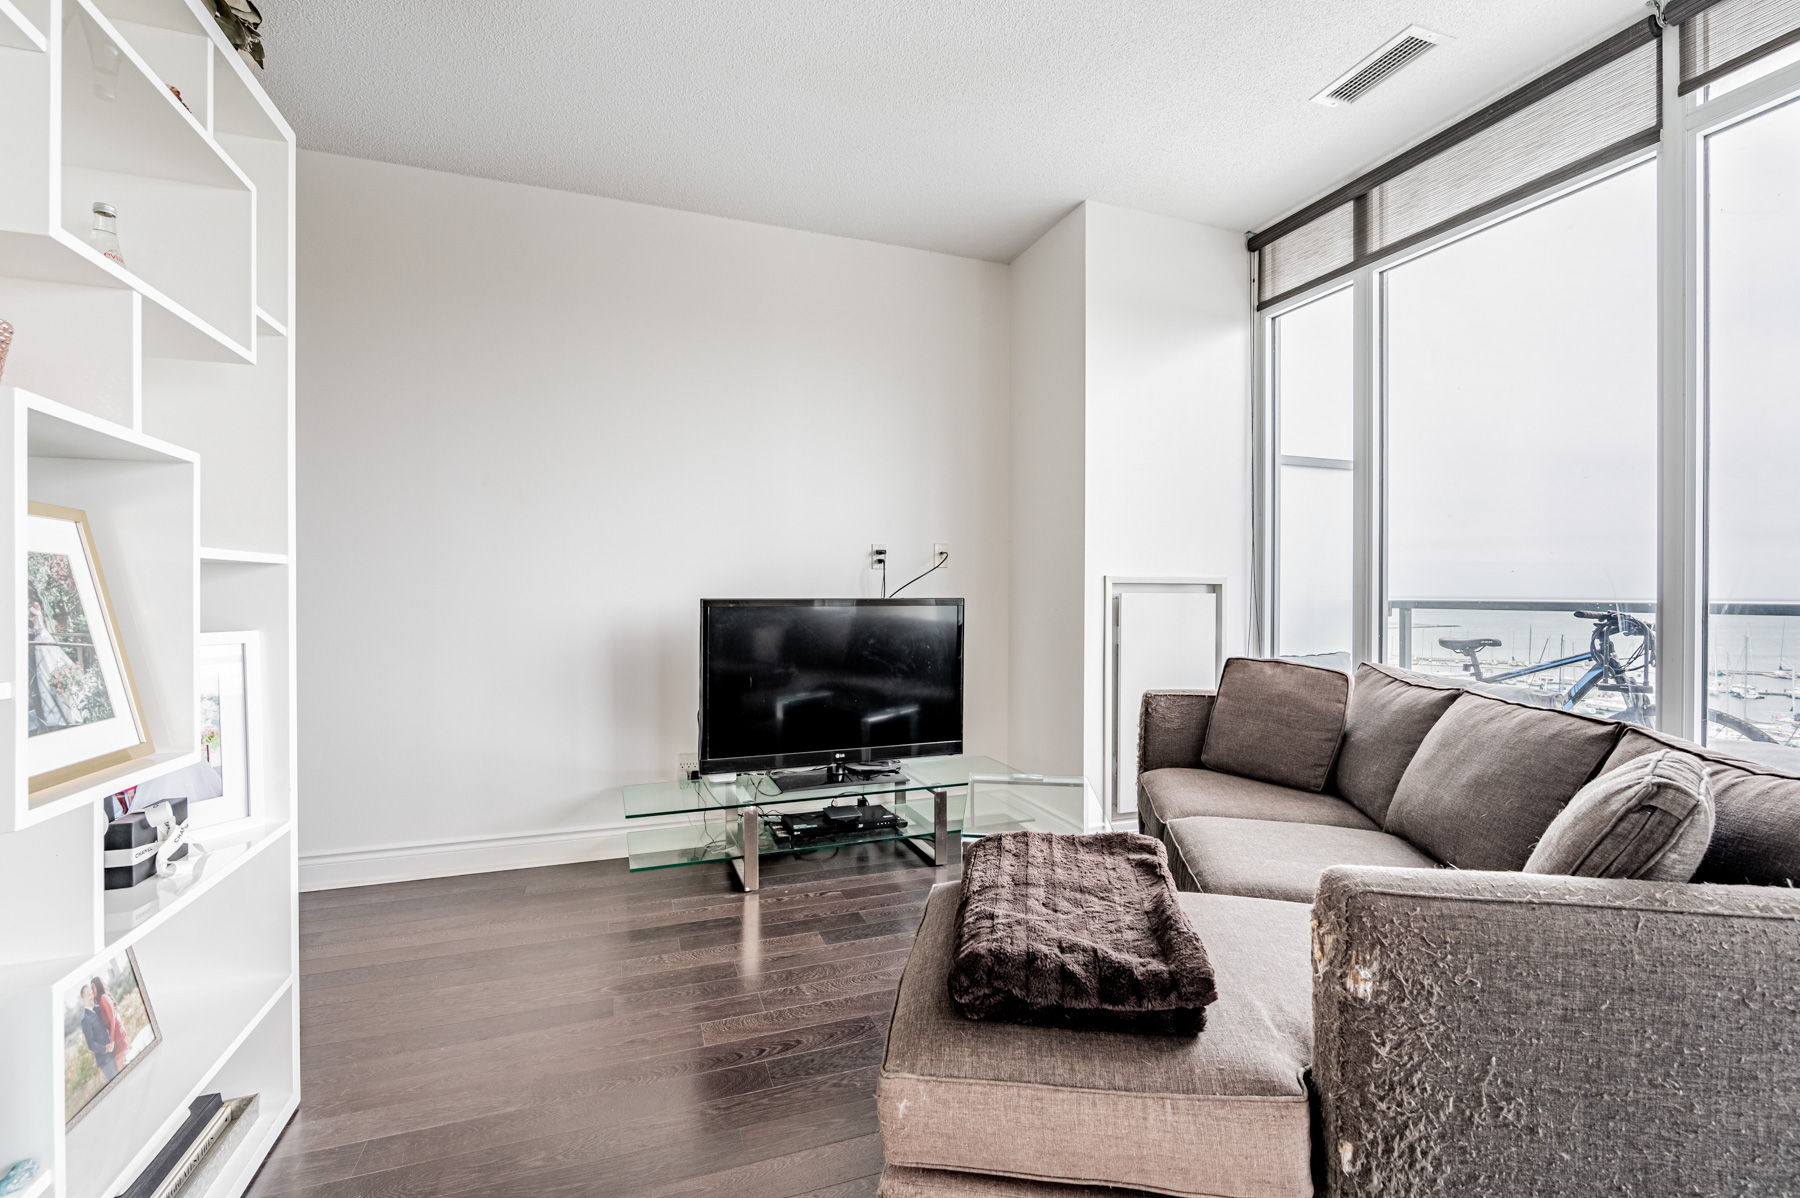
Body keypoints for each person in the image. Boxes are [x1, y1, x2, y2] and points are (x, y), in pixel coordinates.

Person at [78, 983, 116, 1082]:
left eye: (92, 993)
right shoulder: (85, 1020)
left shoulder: (97, 1009)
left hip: (113, 1054)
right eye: (89, 995)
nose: (92, 997)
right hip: (105, 1061)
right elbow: (91, 1044)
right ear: (83, 999)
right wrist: (105, 1048)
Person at [93, 975, 131, 1071]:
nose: (92, 990)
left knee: (120, 1066)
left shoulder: (103, 998)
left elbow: (112, 1019)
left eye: (93, 987)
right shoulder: (102, 999)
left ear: (98, 986)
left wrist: (112, 1040)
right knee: (123, 1064)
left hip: (117, 1034)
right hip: (116, 1033)